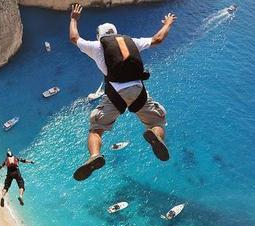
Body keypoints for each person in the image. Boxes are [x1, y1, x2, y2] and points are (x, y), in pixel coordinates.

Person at [69, 3, 177, 181]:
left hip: (115, 95)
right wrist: (168, 23)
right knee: (157, 120)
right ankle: (156, 136)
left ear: (100, 36)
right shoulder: (132, 41)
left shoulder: (96, 46)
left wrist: (74, 19)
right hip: (138, 91)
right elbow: (158, 39)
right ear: (115, 32)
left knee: (96, 129)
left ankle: (95, 155)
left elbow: (74, 38)